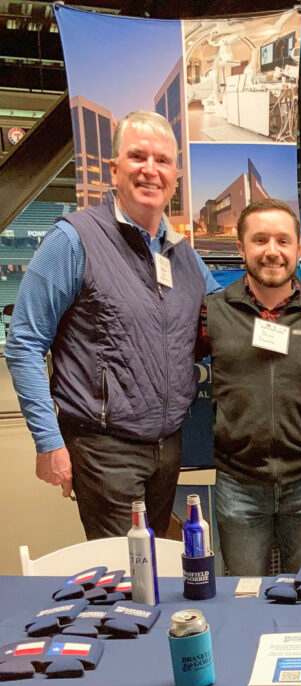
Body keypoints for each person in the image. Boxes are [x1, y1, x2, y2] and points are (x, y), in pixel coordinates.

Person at [5, 110, 221, 539]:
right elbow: (24, 342)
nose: (150, 170)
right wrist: (49, 441)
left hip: (167, 446)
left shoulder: (184, 255)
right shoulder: (72, 239)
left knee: (152, 571)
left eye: (162, 160)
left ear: (175, 177)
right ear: (114, 168)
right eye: (137, 156)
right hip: (105, 449)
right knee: (127, 580)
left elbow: (229, 313)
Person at [202, 198, 301, 575]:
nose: (272, 251)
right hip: (238, 486)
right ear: (241, 248)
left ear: (298, 248)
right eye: (260, 240)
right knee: (244, 597)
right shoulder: (212, 314)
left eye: (283, 241)